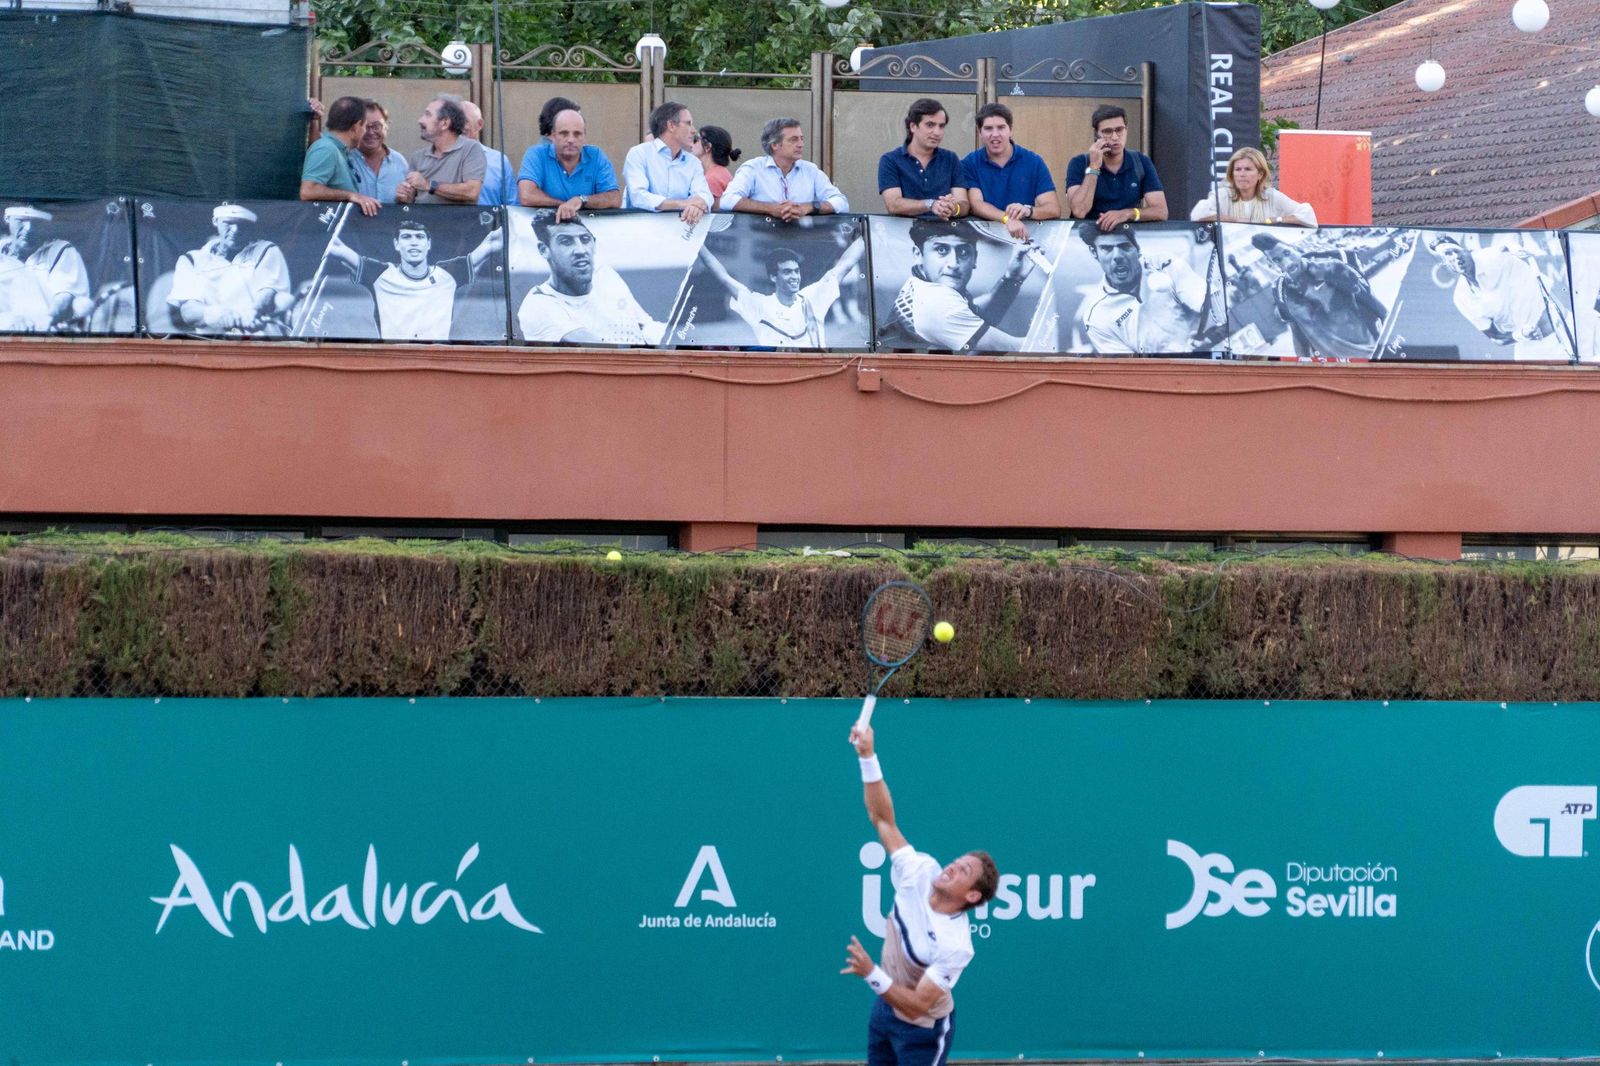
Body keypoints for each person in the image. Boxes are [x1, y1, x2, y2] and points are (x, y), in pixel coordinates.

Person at [840, 722, 998, 1066]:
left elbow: (918, 1005)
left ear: (971, 896)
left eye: (964, 871)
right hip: (884, 1010)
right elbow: (883, 820)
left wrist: (871, 972)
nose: (953, 866)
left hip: (923, 1032)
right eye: (958, 860)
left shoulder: (955, 945)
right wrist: (867, 755)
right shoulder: (920, 870)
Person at [323, 218, 501, 341]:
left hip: (436, 356)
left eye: (419, 237)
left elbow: (490, 244)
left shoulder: (448, 274)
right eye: (406, 237)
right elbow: (336, 246)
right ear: (396, 244)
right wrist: (321, 220)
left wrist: (514, 224)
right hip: (393, 355)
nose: (414, 242)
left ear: (428, 244)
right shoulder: (381, 274)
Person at [693, 229, 865, 348]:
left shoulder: (813, 296)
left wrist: (866, 235)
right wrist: (696, 240)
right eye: (787, 272)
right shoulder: (759, 304)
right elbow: (723, 276)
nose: (795, 276)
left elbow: (846, 264)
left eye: (797, 271)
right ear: (773, 277)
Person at [516, 209, 664, 345]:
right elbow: (599, 351)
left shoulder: (605, 275)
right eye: (566, 242)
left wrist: (674, 335)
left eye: (585, 239)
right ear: (544, 250)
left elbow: (644, 326)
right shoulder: (536, 304)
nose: (581, 250)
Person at [886, 219, 1036, 353]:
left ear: (975, 258)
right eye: (941, 250)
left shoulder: (924, 283)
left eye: (963, 252)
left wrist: (1012, 278)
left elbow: (975, 316)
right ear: (918, 255)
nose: (954, 264)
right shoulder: (935, 302)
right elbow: (1019, 347)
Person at [1424, 234, 1569, 360]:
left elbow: (1507, 246)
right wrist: (1522, 334)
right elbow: (1496, 338)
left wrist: (1515, 247)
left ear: (1466, 250)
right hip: (1528, 350)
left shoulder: (1492, 256)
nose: (1455, 257)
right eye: (1448, 254)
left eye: (1456, 250)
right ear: (1445, 263)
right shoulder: (1461, 297)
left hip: (1563, 330)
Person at [1074, 224, 1212, 355]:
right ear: (1094, 252)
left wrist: (1209, 336)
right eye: (1107, 249)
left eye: (1125, 247)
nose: (1117, 256)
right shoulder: (1096, 317)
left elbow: (1216, 312)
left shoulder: (1166, 265)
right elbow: (1131, 370)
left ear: (1137, 249)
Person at [1251, 231, 1387, 360]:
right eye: (1277, 260)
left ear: (1294, 248)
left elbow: (1370, 303)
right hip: (1330, 366)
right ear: (1272, 264)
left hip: (1367, 354)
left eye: (1287, 253)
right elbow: (1297, 333)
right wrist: (1302, 362)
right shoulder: (1281, 290)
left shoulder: (1332, 268)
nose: (1287, 262)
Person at [167, 203, 292, 334]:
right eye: (228, 223)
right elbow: (189, 311)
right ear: (215, 221)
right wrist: (217, 315)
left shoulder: (266, 250)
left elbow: (268, 292)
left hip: (265, 344)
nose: (236, 230)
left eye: (243, 224)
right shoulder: (190, 260)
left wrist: (253, 311)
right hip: (214, 348)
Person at [962, 103, 1059, 241]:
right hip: (985, 241)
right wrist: (1006, 219)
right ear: (980, 132)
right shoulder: (969, 163)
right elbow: (976, 204)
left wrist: (1028, 211)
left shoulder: (1033, 161)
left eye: (1001, 128)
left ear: (1010, 130)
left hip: (1024, 237)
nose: (995, 134)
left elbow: (1053, 208)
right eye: (988, 128)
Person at [721, 118, 849, 221]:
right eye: (794, 140)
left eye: (801, 139)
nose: (801, 144)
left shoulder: (811, 170)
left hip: (803, 241)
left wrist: (809, 207)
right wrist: (770, 209)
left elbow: (841, 203)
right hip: (760, 242)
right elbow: (727, 200)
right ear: (774, 145)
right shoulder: (753, 169)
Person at [1065, 104, 1167, 231]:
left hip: (1127, 235)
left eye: (1119, 130)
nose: (1115, 137)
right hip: (1087, 237)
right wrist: (1094, 166)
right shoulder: (1079, 163)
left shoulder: (1141, 162)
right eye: (1107, 131)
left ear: (1126, 130)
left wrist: (1127, 214)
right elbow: (1079, 211)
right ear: (1096, 135)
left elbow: (1161, 211)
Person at [517, 101, 622, 221]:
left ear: (585, 136)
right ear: (552, 136)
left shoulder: (596, 156)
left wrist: (581, 200)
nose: (571, 139)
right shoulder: (536, 154)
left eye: (577, 134)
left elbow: (614, 198)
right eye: (564, 133)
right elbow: (526, 195)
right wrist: (565, 205)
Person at [0, 205, 90, 330]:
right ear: (7, 218)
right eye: (21, 220)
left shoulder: (61, 250)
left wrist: (47, 319)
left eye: (36, 222)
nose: (29, 228)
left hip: (47, 337)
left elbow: (65, 297)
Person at [622, 102, 713, 224]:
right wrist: (683, 204)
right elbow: (638, 197)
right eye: (688, 123)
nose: (694, 131)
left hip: (681, 233)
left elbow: (705, 195)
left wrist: (698, 204)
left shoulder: (693, 162)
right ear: (671, 125)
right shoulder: (639, 154)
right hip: (641, 232)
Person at [878, 98, 967, 220]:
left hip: (946, 234)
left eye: (941, 126)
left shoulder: (951, 159)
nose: (937, 132)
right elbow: (893, 204)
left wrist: (952, 208)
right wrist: (930, 204)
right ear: (913, 126)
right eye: (930, 125)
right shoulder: (890, 160)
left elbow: (963, 203)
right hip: (902, 235)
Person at [299, 95, 381, 217]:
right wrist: (351, 195)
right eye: (364, 126)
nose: (365, 132)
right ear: (356, 126)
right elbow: (308, 191)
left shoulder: (337, 149)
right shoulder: (326, 149)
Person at [1190, 147, 1315, 228]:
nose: (1242, 174)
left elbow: (1307, 215)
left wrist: (1276, 219)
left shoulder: (1271, 196)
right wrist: (1238, 220)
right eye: (1238, 169)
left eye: (1248, 169)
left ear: (1260, 174)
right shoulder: (1223, 195)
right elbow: (1198, 214)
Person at [395, 95, 486, 205]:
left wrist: (428, 185)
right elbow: (410, 201)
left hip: (458, 222)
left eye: (428, 115)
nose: (420, 120)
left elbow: (471, 192)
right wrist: (404, 196)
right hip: (421, 221)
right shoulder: (418, 157)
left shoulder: (471, 149)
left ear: (444, 123)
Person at [351, 101, 409, 205]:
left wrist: (408, 198)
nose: (371, 132)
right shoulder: (346, 160)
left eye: (377, 126)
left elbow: (408, 202)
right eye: (365, 126)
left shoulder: (399, 162)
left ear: (387, 126)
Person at [461, 100, 514, 207]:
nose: (459, 126)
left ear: (480, 124)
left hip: (490, 223)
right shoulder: (439, 159)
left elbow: (512, 206)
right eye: (455, 121)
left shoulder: (499, 161)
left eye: (464, 121)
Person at [694, 125, 740, 201]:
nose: (692, 144)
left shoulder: (711, 179)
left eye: (696, 140)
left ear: (707, 147)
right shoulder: (720, 172)